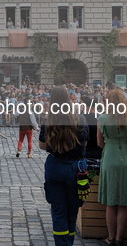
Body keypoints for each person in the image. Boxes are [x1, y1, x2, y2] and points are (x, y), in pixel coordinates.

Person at [39, 87, 88, 245]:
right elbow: (83, 143)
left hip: (55, 167)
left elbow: (41, 145)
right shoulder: (79, 119)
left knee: (59, 212)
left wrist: (56, 145)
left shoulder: (48, 121)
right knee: (72, 212)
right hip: (75, 168)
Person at [97, 89, 127, 245]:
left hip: (109, 158)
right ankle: (119, 238)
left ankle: (111, 237)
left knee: (111, 201)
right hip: (126, 159)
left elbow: (100, 143)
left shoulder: (102, 119)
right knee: (123, 202)